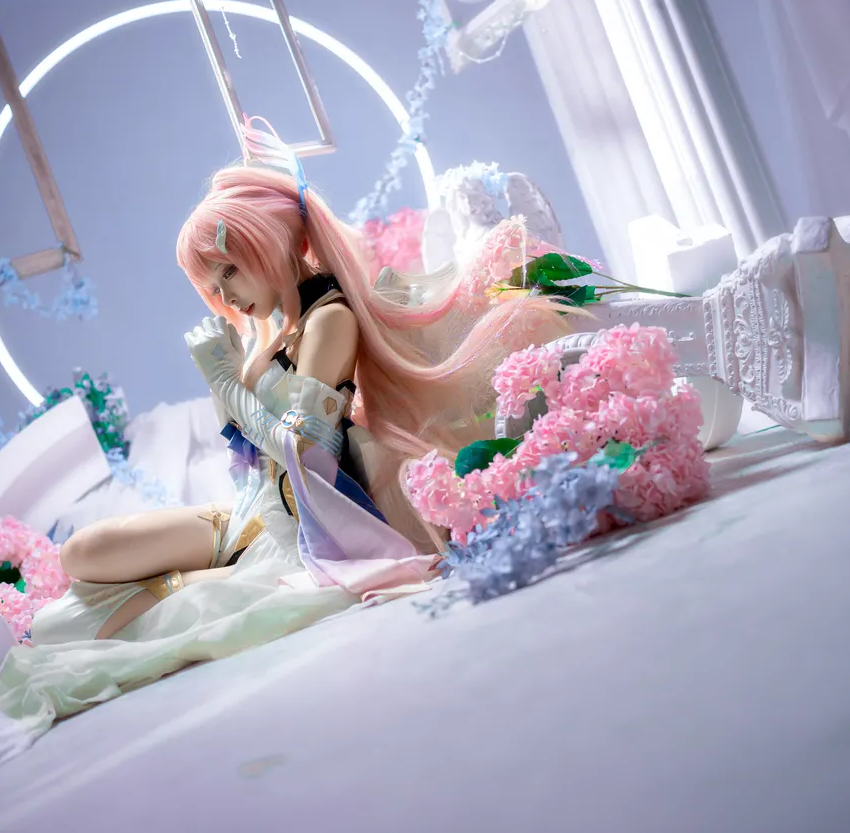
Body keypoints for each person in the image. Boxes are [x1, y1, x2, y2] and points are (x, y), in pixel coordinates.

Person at [30, 121, 569, 645]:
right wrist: (229, 377)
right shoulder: (271, 329)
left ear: (269, 244)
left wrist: (226, 379)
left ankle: (191, 586)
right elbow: (244, 452)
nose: (225, 296)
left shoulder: (330, 319)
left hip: (304, 534)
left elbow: (307, 454)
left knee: (63, 626)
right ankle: (189, 582)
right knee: (84, 551)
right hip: (254, 513)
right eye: (213, 285)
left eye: (229, 271)